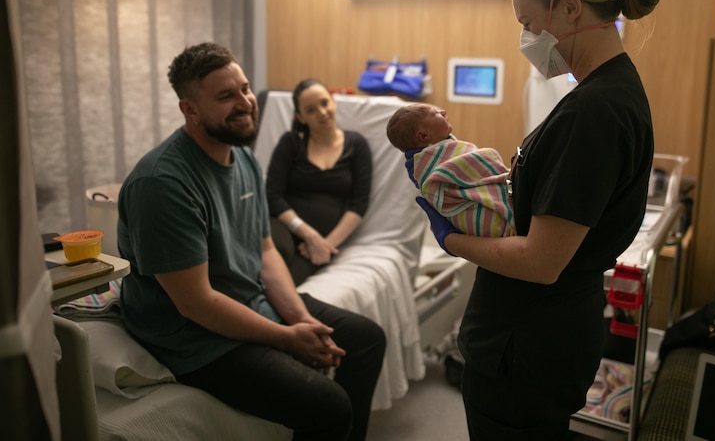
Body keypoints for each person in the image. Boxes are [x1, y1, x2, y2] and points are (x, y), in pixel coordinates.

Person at [414, 0, 670, 440]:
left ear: (570, 7)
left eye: (528, 23)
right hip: (542, 340)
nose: (527, 38)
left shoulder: (592, 112)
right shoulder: (610, 91)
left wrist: (450, 238)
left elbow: (541, 260)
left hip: (524, 349)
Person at [117, 43, 385, 441]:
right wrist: (285, 337)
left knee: (365, 341)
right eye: (226, 96)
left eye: (244, 89)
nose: (245, 103)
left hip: (246, 298)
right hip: (192, 336)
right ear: (190, 110)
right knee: (329, 406)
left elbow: (265, 251)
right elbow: (196, 303)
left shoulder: (241, 157)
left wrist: (301, 320)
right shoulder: (163, 184)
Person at [266, 79, 372, 285]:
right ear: (300, 117)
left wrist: (326, 244)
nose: (322, 112)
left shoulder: (356, 145)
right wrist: (309, 234)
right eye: (311, 110)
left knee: (288, 283)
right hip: (282, 227)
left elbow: (359, 203)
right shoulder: (291, 143)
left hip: (323, 241)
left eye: (325, 103)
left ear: (334, 102)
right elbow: (272, 195)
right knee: (275, 259)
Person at [386, 103, 514, 237]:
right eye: (435, 113)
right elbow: (475, 163)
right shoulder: (427, 163)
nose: (443, 111)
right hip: (477, 215)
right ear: (424, 136)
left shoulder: (445, 148)